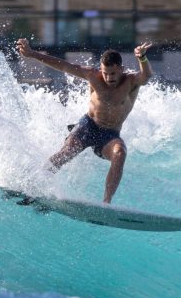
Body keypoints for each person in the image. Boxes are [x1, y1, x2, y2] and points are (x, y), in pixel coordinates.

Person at [16, 38, 153, 204]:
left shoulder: (131, 81)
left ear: (121, 69)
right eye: (105, 73)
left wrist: (142, 58)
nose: (109, 78)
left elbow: (146, 76)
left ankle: (106, 202)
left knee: (120, 153)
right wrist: (32, 54)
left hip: (109, 135)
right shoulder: (92, 75)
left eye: (113, 73)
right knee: (65, 153)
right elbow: (63, 65)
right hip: (87, 125)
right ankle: (33, 187)